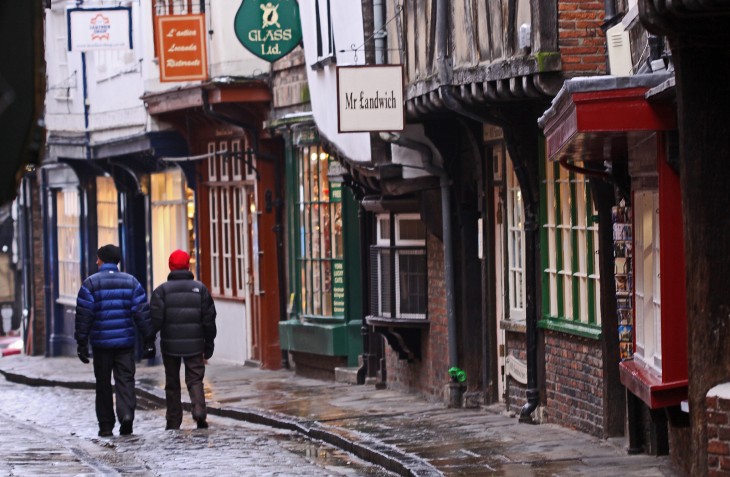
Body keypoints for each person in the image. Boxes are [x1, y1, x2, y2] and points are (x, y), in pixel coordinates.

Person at [75, 244, 156, 437]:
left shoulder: (91, 284)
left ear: (102, 260)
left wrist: (81, 343)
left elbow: (84, 316)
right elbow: (141, 313)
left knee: (103, 384)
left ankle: (105, 425)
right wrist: (149, 339)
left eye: (98, 258)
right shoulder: (131, 283)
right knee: (125, 380)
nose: (96, 261)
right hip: (125, 344)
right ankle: (126, 414)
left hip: (101, 345)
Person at [150, 249, 217, 430]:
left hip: (170, 344)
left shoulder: (161, 291)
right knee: (195, 379)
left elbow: (154, 320)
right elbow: (209, 319)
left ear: (170, 266)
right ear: (188, 265)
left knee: (172, 382)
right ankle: (199, 410)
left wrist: (148, 341)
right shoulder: (200, 289)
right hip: (195, 343)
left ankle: (173, 420)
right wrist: (209, 343)